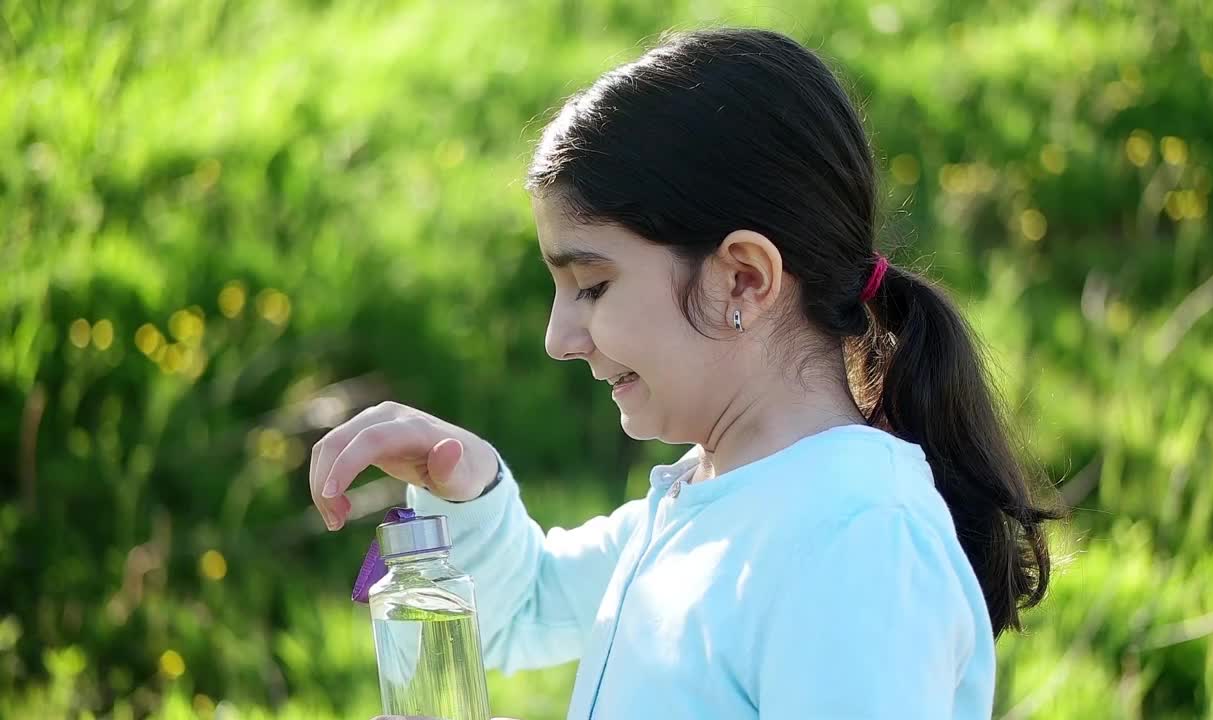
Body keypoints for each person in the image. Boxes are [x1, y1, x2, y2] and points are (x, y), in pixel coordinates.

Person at [310, 27, 1060, 720]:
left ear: (743, 279)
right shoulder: (701, 501)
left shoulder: (857, 544)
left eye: (593, 285)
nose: (558, 338)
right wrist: (466, 488)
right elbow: (527, 611)